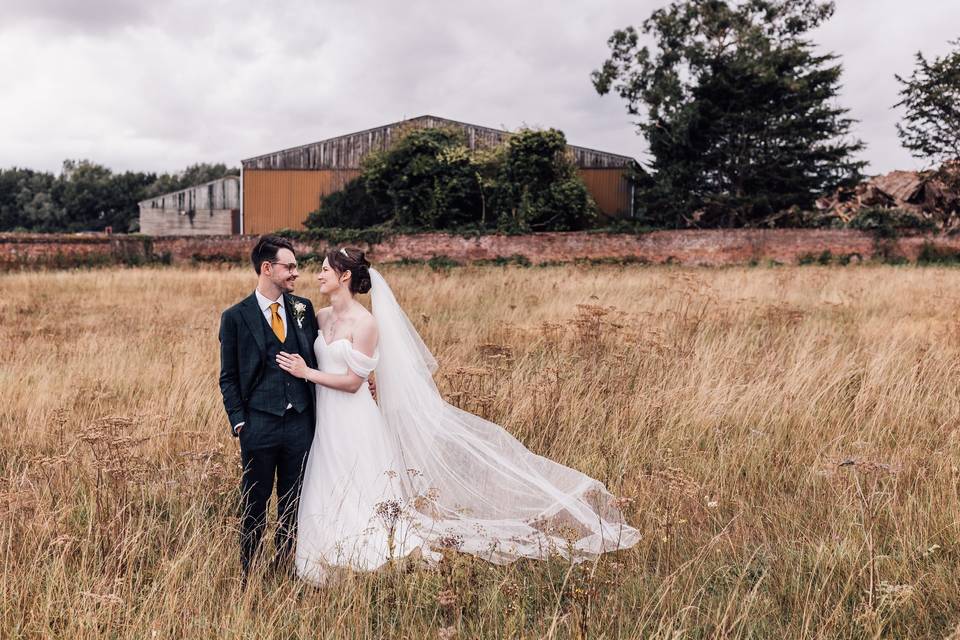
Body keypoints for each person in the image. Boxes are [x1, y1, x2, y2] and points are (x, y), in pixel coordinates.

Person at [276, 247, 640, 586]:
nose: (318, 275)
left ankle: (369, 552)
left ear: (344, 277)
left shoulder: (366, 323)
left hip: (355, 418)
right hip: (326, 418)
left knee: (358, 483)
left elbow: (355, 382)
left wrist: (306, 373)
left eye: (324, 269)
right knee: (328, 479)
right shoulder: (320, 316)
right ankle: (323, 555)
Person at [217, 235, 320, 577]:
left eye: (295, 267)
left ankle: (288, 568)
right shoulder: (235, 317)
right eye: (289, 266)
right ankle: (248, 571)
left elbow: (320, 358)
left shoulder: (303, 309)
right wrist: (239, 422)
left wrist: (361, 377)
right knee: (254, 504)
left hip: (300, 424)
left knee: (294, 503)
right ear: (267, 268)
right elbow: (228, 377)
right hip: (258, 425)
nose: (296, 274)